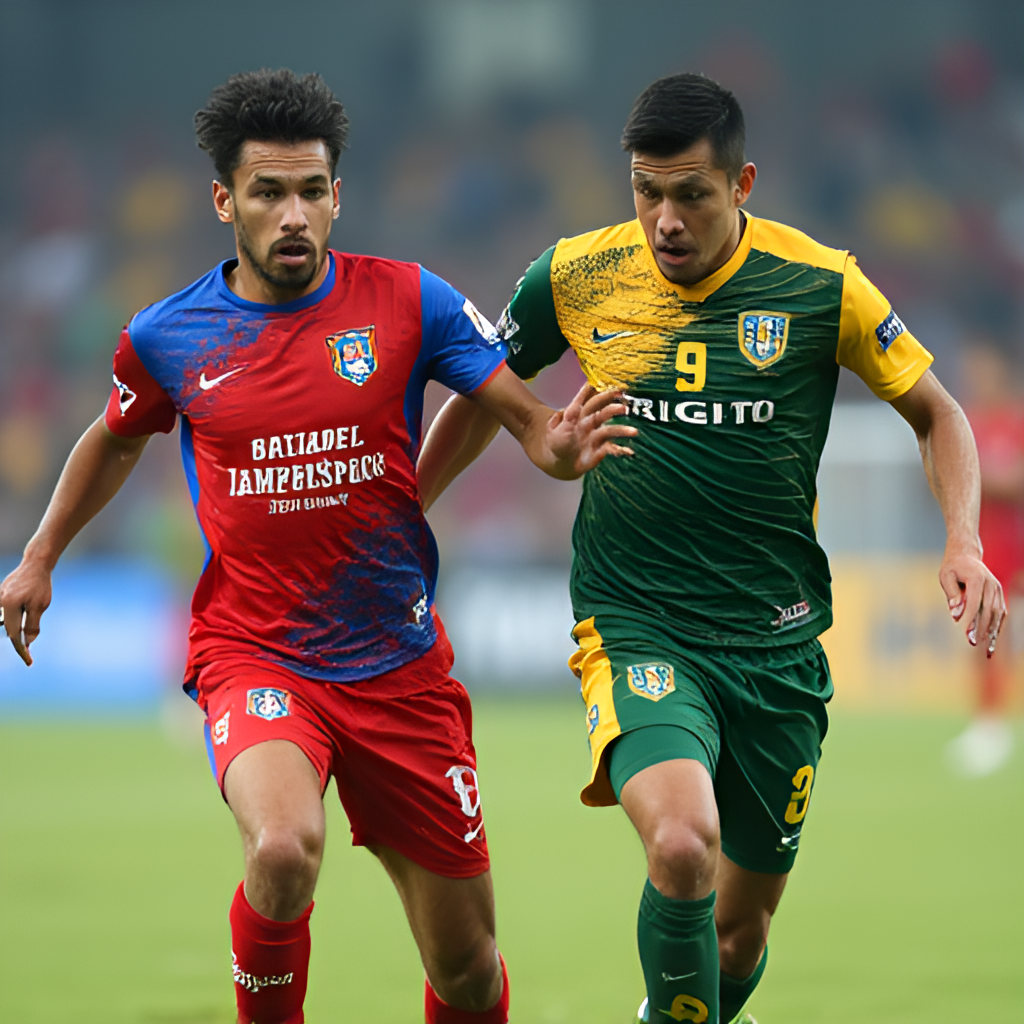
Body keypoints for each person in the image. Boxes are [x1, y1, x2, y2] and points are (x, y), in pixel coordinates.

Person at [0, 69, 633, 1024]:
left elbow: (528, 421)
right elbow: (114, 434)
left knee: (465, 967)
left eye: (310, 191)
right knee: (283, 849)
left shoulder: (410, 302)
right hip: (256, 653)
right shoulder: (167, 337)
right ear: (226, 202)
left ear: (338, 194)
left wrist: (557, 445)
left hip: (399, 666)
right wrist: (42, 551)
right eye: (267, 193)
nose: (292, 215)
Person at [417, 73, 1006, 1024]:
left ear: (743, 184)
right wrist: (407, 513)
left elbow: (937, 413)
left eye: (690, 193)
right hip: (637, 622)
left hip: (777, 644)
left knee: (738, 938)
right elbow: (484, 389)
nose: (664, 219)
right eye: (646, 191)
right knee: (682, 846)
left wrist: (961, 539)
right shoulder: (571, 274)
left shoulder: (823, 285)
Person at [946, 342, 1024, 776]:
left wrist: (981, 479)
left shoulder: (1015, 420)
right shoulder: (966, 422)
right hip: (987, 550)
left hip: (1016, 543)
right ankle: (990, 724)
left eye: (983, 370)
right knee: (989, 637)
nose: (976, 378)